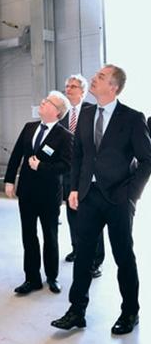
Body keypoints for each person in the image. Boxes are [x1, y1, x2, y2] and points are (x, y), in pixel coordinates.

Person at [51, 65, 151, 334]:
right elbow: (79, 155)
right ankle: (76, 311)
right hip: (88, 196)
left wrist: (131, 194)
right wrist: (75, 188)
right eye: (95, 76)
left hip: (119, 198)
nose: (94, 79)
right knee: (83, 255)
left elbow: (146, 160)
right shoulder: (85, 114)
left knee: (123, 257)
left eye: (101, 77)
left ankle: (130, 312)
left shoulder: (132, 118)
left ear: (113, 87)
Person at [5, 91, 73, 295]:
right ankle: (32, 278)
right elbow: (16, 154)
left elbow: (67, 165)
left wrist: (40, 166)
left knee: (50, 236)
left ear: (57, 111)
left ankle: (52, 277)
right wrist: (9, 180)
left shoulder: (65, 136)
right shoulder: (29, 127)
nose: (42, 102)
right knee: (28, 235)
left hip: (49, 195)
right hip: (26, 192)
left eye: (48, 102)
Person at [60, 74, 104, 277]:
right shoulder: (63, 115)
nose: (68, 89)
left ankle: (95, 260)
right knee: (73, 215)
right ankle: (77, 249)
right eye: (67, 86)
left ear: (83, 91)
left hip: (89, 175)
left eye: (73, 86)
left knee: (93, 218)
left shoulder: (93, 112)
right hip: (69, 174)